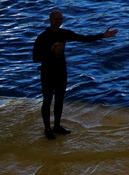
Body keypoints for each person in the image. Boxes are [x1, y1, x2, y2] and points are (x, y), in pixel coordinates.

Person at [33, 9, 118, 140]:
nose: (59, 22)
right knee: (47, 100)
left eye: (61, 19)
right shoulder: (43, 37)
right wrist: (52, 52)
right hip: (47, 72)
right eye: (56, 19)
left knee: (60, 100)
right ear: (50, 20)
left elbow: (82, 38)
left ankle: (56, 126)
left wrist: (102, 36)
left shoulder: (64, 33)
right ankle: (47, 128)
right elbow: (35, 57)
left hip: (61, 71)